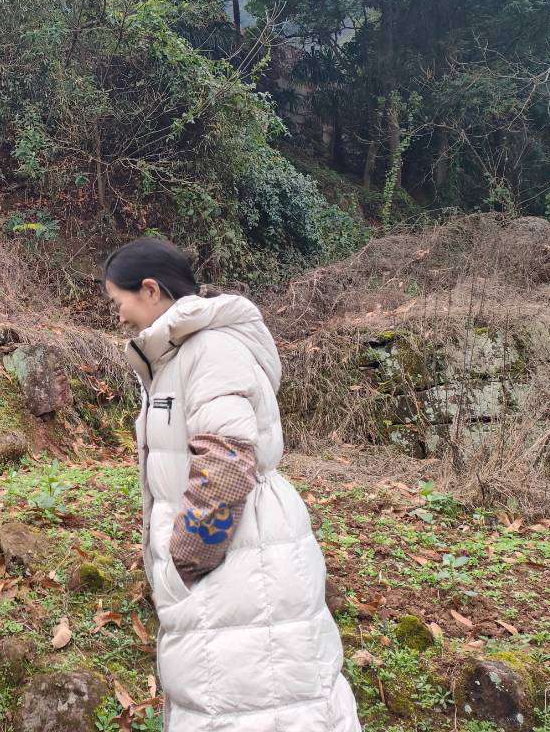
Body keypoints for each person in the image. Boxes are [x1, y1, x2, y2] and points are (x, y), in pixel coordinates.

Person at [104, 238, 360, 732]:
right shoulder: (181, 355)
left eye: (120, 301)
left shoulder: (210, 349)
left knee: (260, 707)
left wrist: (180, 568)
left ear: (150, 290)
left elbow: (226, 466)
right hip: (234, 566)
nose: (119, 315)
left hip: (239, 567)